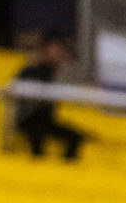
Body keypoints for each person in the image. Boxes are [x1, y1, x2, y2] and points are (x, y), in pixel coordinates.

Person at [13, 32, 87, 161]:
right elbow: (22, 93)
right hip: (28, 119)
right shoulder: (33, 70)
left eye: (59, 51)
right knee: (38, 133)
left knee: (75, 137)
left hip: (46, 121)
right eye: (53, 50)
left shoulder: (57, 72)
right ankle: (36, 165)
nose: (57, 55)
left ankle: (66, 168)